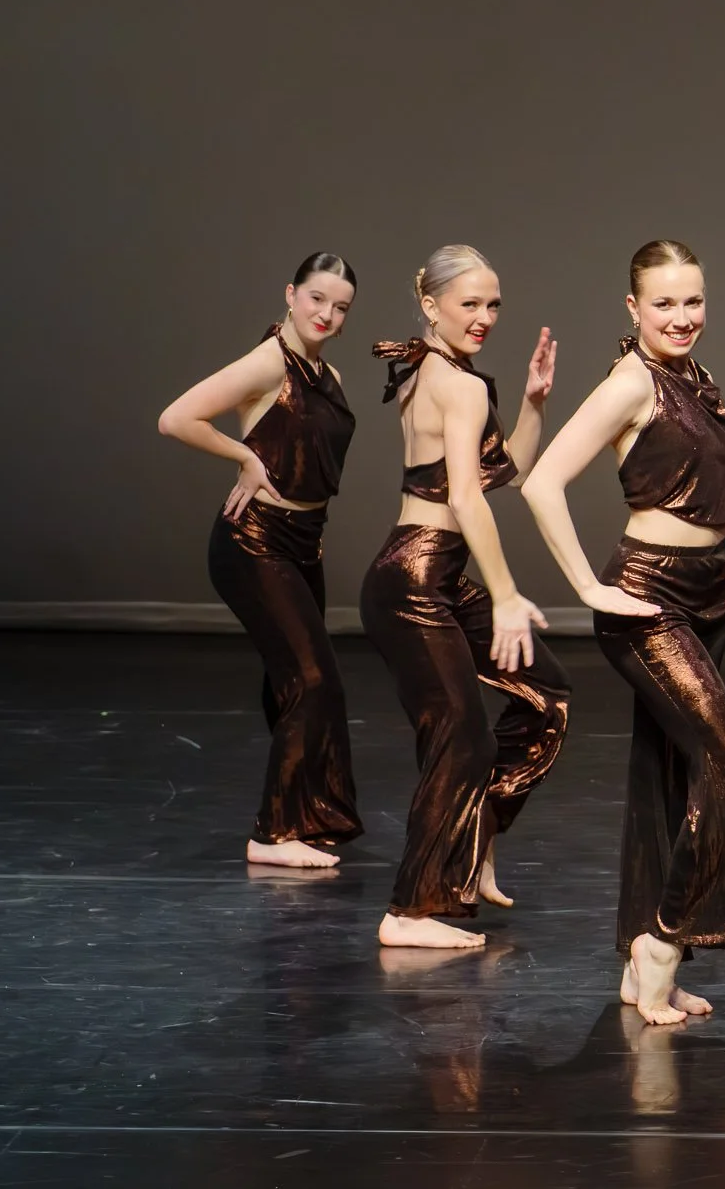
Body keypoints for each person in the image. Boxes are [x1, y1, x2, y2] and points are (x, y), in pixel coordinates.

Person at [521, 240, 725, 1024]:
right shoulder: (631, 381)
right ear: (633, 308)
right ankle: (665, 940)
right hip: (647, 599)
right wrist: (589, 588)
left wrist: (716, 564)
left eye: (693, 300)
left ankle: (643, 959)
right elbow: (541, 482)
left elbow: (693, 488)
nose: (682, 316)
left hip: (704, 590)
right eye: (664, 303)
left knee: (666, 776)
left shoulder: (695, 375)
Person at [359, 245, 568, 950]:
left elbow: (502, 471)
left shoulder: (435, 371)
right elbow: (467, 499)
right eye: (469, 303)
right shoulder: (454, 382)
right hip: (415, 578)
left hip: (430, 574)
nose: (485, 317)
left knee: (546, 694)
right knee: (460, 735)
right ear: (430, 304)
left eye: (493, 304)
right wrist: (505, 594)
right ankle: (411, 911)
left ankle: (471, 843)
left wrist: (534, 404)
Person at [157, 254, 363, 868]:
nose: (327, 314)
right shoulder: (269, 361)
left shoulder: (327, 373)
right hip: (254, 542)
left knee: (294, 681)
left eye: (341, 307)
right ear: (291, 295)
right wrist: (245, 458)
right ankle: (272, 834)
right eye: (317, 298)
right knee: (313, 680)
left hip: (302, 542)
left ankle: (303, 814)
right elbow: (175, 418)